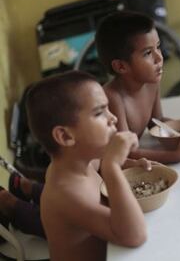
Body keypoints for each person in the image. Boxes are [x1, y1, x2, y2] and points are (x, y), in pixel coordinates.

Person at [25, 70, 150, 260]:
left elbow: (100, 164)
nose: (113, 118)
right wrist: (113, 167)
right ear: (65, 136)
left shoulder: (82, 160)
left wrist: (128, 163)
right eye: (99, 112)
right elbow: (135, 236)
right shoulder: (66, 193)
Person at [95, 11, 180, 164]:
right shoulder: (112, 97)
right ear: (121, 66)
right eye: (148, 53)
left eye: (158, 47)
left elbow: (157, 123)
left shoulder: (151, 82)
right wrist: (176, 156)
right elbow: (126, 152)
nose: (159, 58)